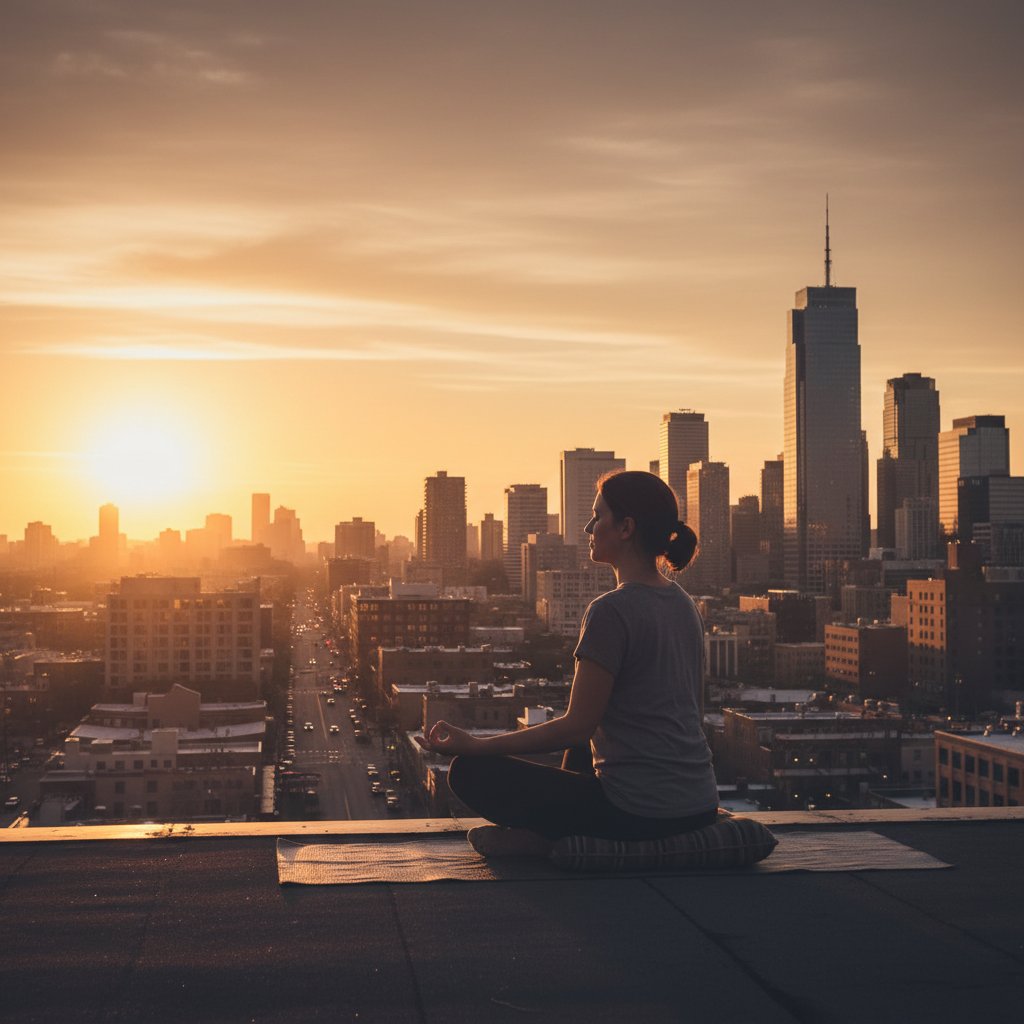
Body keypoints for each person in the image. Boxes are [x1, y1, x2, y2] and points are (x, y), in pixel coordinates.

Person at [416, 470, 719, 857]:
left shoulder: (611, 610)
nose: (589, 527)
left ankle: (547, 842)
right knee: (588, 746)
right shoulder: (684, 604)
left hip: (639, 813)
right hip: (698, 805)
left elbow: (575, 728)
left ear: (626, 528)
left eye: (598, 516)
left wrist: (477, 745)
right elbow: (692, 713)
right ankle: (555, 834)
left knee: (467, 772)